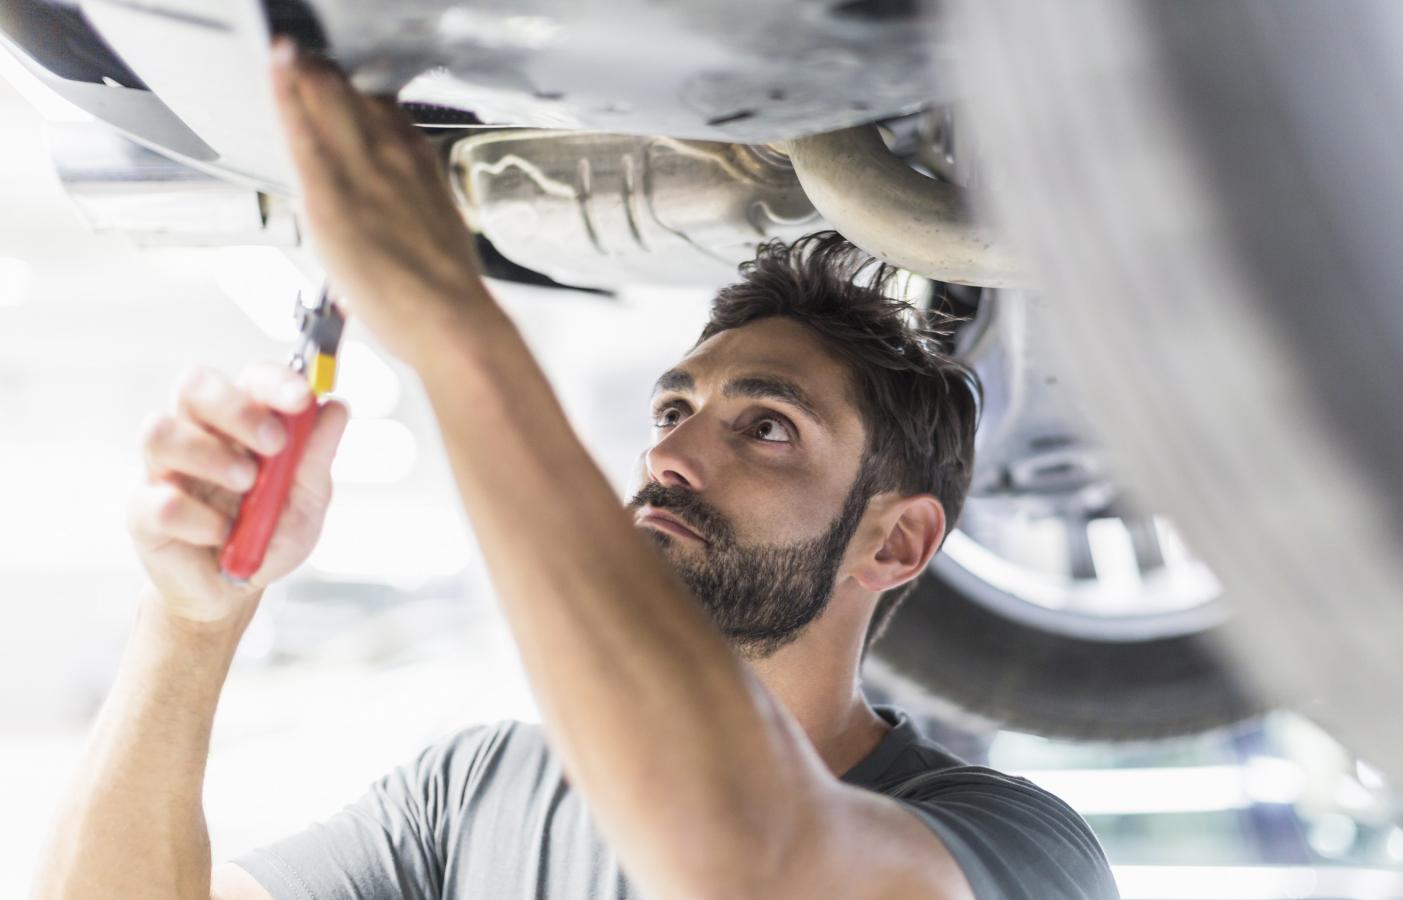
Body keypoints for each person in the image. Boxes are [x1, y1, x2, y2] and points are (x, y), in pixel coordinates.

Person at [33, 39, 1118, 900]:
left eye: (767, 427)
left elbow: (757, 867)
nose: (671, 454)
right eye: (673, 406)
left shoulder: (1009, 848)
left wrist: (454, 330)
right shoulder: (475, 797)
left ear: (898, 540)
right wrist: (189, 625)